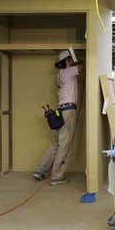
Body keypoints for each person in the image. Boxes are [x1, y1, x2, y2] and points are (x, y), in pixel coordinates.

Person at [33, 50, 82, 185]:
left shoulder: (60, 74)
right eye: (70, 60)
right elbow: (85, 67)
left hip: (61, 111)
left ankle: (40, 170)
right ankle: (56, 176)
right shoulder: (69, 71)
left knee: (55, 144)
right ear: (67, 61)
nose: (72, 62)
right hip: (69, 112)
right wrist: (79, 60)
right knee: (65, 146)